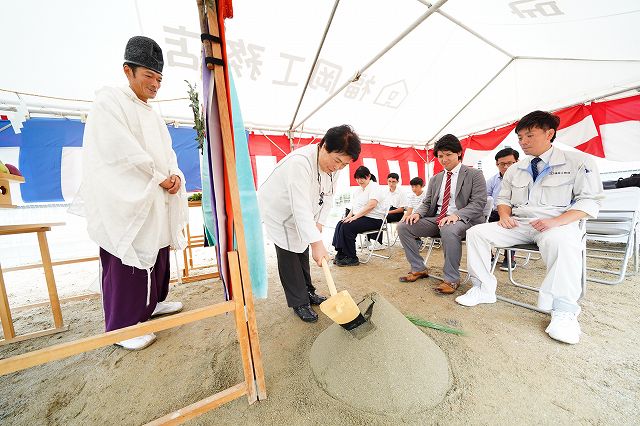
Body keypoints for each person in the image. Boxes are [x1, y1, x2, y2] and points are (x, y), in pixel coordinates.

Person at [71, 36, 188, 350]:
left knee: (157, 249)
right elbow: (120, 152)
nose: (155, 84)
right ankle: (122, 328)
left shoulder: (153, 113)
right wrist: (160, 178)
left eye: (159, 78)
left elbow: (168, 152)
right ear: (128, 71)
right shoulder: (109, 102)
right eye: (148, 76)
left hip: (156, 194)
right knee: (127, 257)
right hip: (126, 198)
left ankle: (151, 304)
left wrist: (174, 175)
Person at [456, 110, 603, 345]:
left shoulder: (579, 162)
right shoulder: (516, 168)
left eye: (529, 136)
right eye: (520, 138)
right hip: (521, 223)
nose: (523, 142)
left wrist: (556, 221)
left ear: (549, 133)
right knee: (476, 233)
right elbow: (503, 199)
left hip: (558, 223)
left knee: (563, 241)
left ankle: (564, 310)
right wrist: (504, 215)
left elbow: (590, 201)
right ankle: (483, 288)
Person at [259, 125, 361, 323]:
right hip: (280, 211)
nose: (338, 167)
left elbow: (329, 196)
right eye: (337, 161)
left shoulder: (335, 167)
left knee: (303, 248)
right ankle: (299, 301)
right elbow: (299, 206)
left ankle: (308, 291)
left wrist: (320, 222)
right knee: (289, 253)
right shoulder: (300, 162)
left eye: (344, 164)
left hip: (304, 211)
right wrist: (316, 242)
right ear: (323, 146)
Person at [397, 134, 487, 295]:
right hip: (437, 218)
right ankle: (418, 268)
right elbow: (427, 202)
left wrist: (457, 215)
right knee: (404, 226)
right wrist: (417, 213)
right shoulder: (436, 178)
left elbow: (478, 203)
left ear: (459, 153)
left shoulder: (474, 175)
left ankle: (452, 278)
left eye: (448, 155)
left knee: (449, 228)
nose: (444, 159)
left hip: (463, 220)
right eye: (440, 156)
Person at [332, 166, 388, 266]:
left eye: (362, 178)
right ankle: (341, 253)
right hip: (362, 217)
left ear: (369, 176)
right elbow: (354, 207)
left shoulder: (375, 187)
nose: (359, 180)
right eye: (357, 178)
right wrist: (348, 216)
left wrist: (354, 217)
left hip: (375, 219)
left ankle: (351, 257)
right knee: (341, 223)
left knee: (348, 227)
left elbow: (371, 205)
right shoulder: (359, 190)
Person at [486, 147, 520, 270]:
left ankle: (510, 259)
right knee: (480, 223)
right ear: (497, 164)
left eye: (510, 163)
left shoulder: (524, 178)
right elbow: (485, 197)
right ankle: (489, 256)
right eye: (502, 164)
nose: (506, 167)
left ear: (517, 162)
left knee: (512, 225)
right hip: (495, 212)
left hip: (516, 212)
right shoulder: (492, 180)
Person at [367, 172, 408, 250]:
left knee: (380, 217)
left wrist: (387, 212)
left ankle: (377, 242)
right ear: (387, 181)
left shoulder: (402, 192)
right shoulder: (384, 191)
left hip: (397, 213)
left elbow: (401, 209)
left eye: (393, 182)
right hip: (386, 211)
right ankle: (369, 240)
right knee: (372, 215)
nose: (391, 183)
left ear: (398, 182)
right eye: (389, 181)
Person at [402, 176, 427, 249]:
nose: (414, 189)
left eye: (416, 186)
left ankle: (417, 240)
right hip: (414, 216)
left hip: (423, 215)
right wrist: (402, 220)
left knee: (412, 222)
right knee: (405, 222)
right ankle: (414, 240)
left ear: (422, 186)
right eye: (412, 187)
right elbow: (409, 210)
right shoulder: (412, 197)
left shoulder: (426, 195)